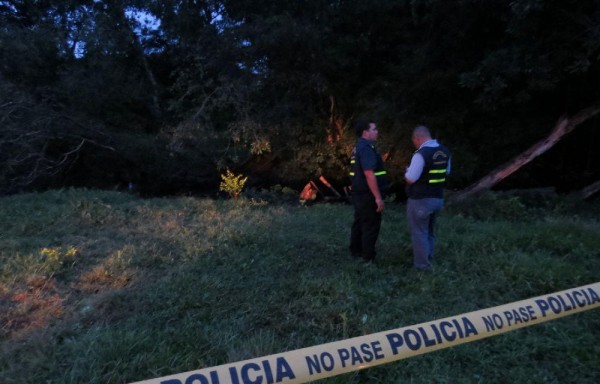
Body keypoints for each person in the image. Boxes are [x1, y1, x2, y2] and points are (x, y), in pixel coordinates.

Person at [404, 125, 451, 270]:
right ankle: (428, 255)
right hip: (437, 198)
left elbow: (411, 178)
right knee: (429, 231)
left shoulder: (421, 154)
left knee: (419, 233)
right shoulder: (445, 151)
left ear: (418, 138)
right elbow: (447, 172)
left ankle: (421, 266)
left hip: (420, 200)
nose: (415, 144)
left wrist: (406, 172)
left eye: (414, 141)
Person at [349, 118, 388, 263]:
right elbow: (369, 173)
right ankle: (368, 257)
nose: (377, 132)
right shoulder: (366, 148)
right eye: (374, 129)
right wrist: (377, 197)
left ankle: (356, 251)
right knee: (370, 225)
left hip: (359, 193)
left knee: (359, 222)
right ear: (366, 132)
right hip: (368, 194)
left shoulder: (358, 147)